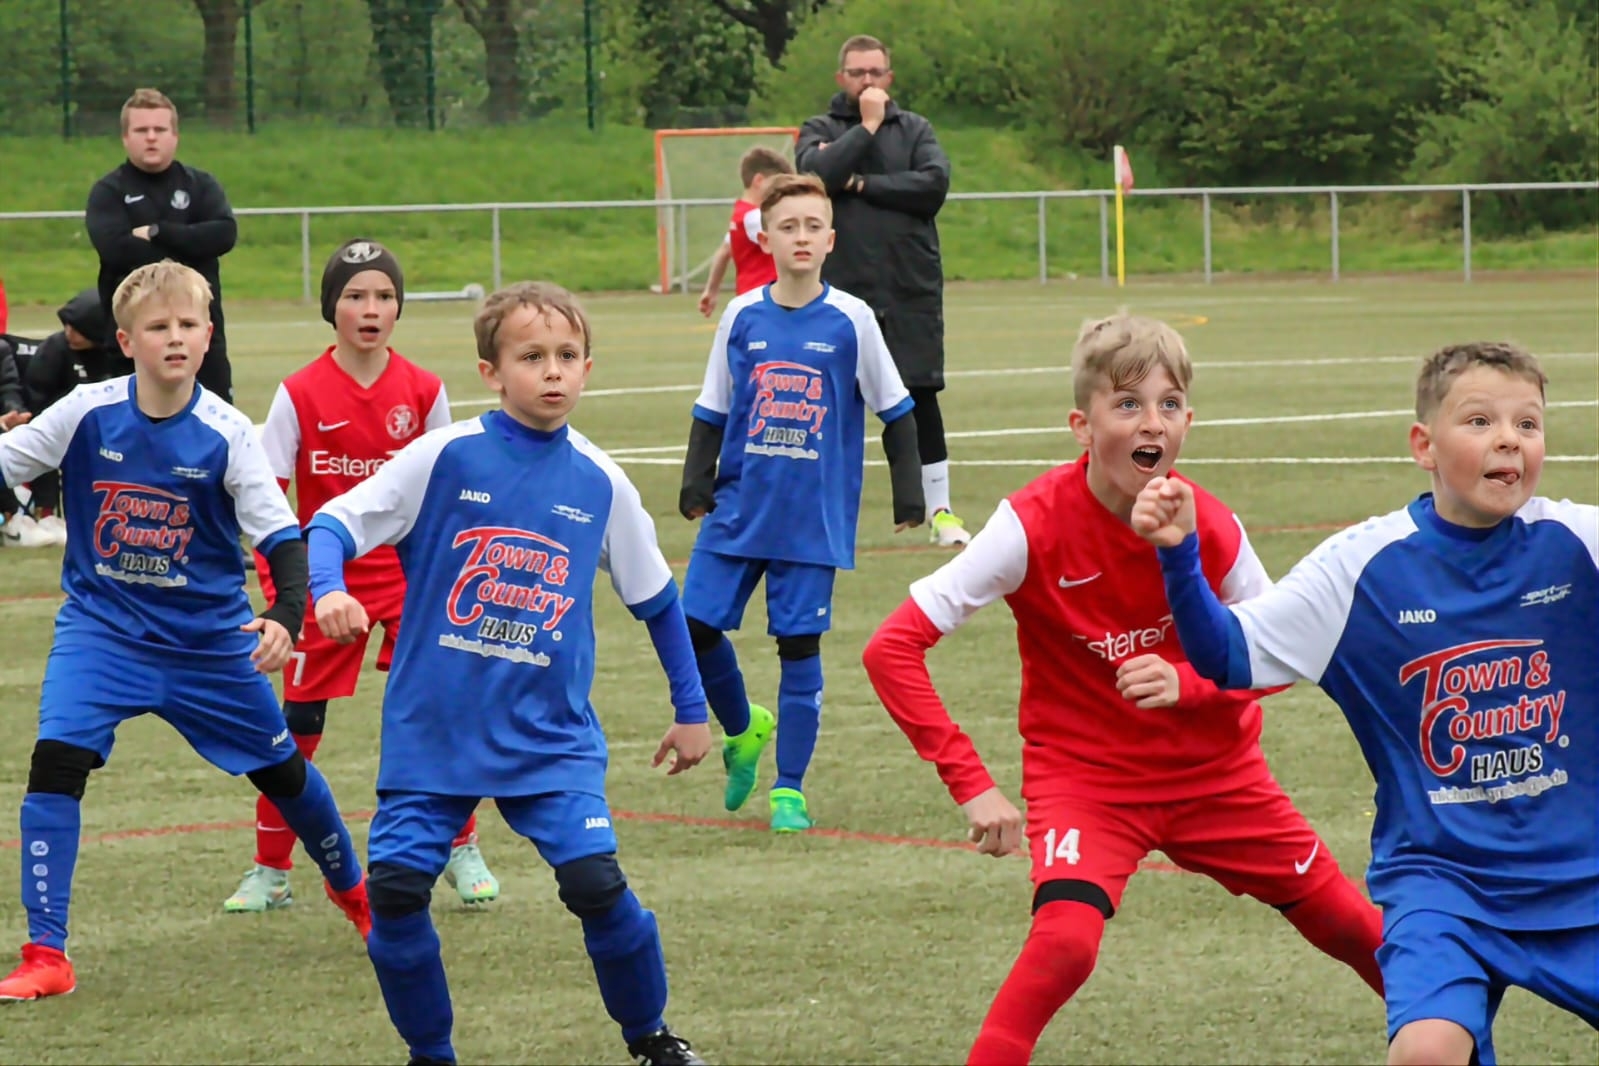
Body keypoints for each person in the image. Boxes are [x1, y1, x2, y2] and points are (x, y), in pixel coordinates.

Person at [862, 313, 1387, 1064]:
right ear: (1082, 426)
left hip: (1218, 780)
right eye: (1128, 404)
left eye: (1169, 404)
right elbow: (891, 649)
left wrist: (1189, 683)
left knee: (1353, 928)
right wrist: (972, 785)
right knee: (1065, 945)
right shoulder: (1028, 524)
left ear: (1188, 423)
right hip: (1089, 782)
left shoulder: (1211, 524)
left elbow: (1280, 654)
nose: (1152, 422)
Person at [1134, 341, 1597, 1066]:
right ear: (1423, 445)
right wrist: (1177, 554)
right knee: (1425, 1052)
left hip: (1582, 878)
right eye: (1479, 421)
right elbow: (1224, 653)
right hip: (1443, 885)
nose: (1509, 439)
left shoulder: (1578, 544)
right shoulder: (1360, 568)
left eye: (1528, 424)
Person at [306, 280, 711, 1065]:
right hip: (435, 732)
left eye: (567, 355)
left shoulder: (601, 481)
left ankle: (652, 1038)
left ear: (587, 368)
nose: (552, 371)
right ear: (491, 372)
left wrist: (690, 710)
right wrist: (327, 590)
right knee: (395, 895)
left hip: (547, 738)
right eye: (531, 357)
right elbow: (331, 523)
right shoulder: (444, 455)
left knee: (595, 886)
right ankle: (431, 1054)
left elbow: (659, 602)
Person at [0, 260, 371, 1004]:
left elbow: (283, 542)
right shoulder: (86, 411)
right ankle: (46, 954)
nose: (175, 337)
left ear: (207, 336)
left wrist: (284, 617)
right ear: (126, 341)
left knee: (283, 774)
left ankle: (359, 898)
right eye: (158, 326)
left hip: (208, 645)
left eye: (189, 325)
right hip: (102, 634)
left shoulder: (228, 433)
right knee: (55, 763)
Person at [225, 238, 502, 915]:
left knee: (439, 710)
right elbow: (267, 502)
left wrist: (449, 582)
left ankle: (460, 846)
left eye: (383, 296)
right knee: (296, 726)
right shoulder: (298, 393)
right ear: (332, 307)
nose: (370, 308)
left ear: (399, 307)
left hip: (410, 579)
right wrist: (286, 596)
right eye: (355, 296)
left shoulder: (424, 390)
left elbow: (446, 498)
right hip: (327, 581)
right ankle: (270, 868)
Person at [678, 173, 924, 833]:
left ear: (830, 239)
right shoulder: (741, 316)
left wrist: (909, 494)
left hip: (811, 519)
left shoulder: (851, 320)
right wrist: (696, 481)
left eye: (813, 226)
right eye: (788, 227)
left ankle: (789, 788)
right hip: (738, 508)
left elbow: (896, 410)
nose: (801, 237)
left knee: (797, 647)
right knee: (691, 626)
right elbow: (712, 405)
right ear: (766, 238)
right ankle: (743, 727)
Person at [795, 33, 969, 548]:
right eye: (857, 73)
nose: (867, 81)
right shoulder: (820, 130)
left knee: (920, 397)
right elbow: (819, 175)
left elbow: (932, 186)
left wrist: (862, 185)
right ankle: (814, 513)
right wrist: (866, 128)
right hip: (840, 295)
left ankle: (939, 512)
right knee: (827, 402)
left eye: (875, 72)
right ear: (841, 78)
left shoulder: (915, 129)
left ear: (889, 77)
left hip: (908, 288)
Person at [86, 87, 237, 402]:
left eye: (160, 129)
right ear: (125, 137)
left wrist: (159, 232)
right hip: (129, 346)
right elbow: (115, 248)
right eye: (142, 130)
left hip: (201, 343)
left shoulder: (201, 185)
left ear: (175, 136)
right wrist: (191, 245)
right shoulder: (108, 191)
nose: (151, 137)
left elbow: (223, 234)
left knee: (211, 426)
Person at [697, 146, 794, 318]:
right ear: (759, 181)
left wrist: (711, 290)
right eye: (778, 185)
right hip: (765, 302)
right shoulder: (754, 218)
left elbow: (724, 252)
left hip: (749, 300)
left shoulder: (741, 214)